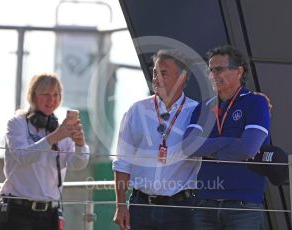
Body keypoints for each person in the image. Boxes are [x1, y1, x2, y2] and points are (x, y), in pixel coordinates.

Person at [182, 45, 271, 229]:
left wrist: (211, 152)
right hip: (205, 203)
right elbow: (188, 147)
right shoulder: (202, 107)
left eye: (219, 69)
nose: (213, 74)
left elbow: (248, 148)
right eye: (210, 70)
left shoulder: (256, 102)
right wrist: (230, 142)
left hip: (243, 205)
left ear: (239, 71)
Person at [112, 49, 200, 230]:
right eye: (154, 72)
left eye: (163, 73)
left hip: (181, 210)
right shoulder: (136, 110)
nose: (156, 78)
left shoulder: (197, 112)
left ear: (182, 78)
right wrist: (121, 206)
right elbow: (122, 162)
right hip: (140, 207)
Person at [0, 72, 90, 230]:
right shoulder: (17, 123)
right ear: (32, 95)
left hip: (51, 213)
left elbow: (77, 164)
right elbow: (23, 156)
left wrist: (80, 144)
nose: (51, 99)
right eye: (45, 94)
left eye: (56, 94)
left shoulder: (59, 128)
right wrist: (55, 137)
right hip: (17, 210)